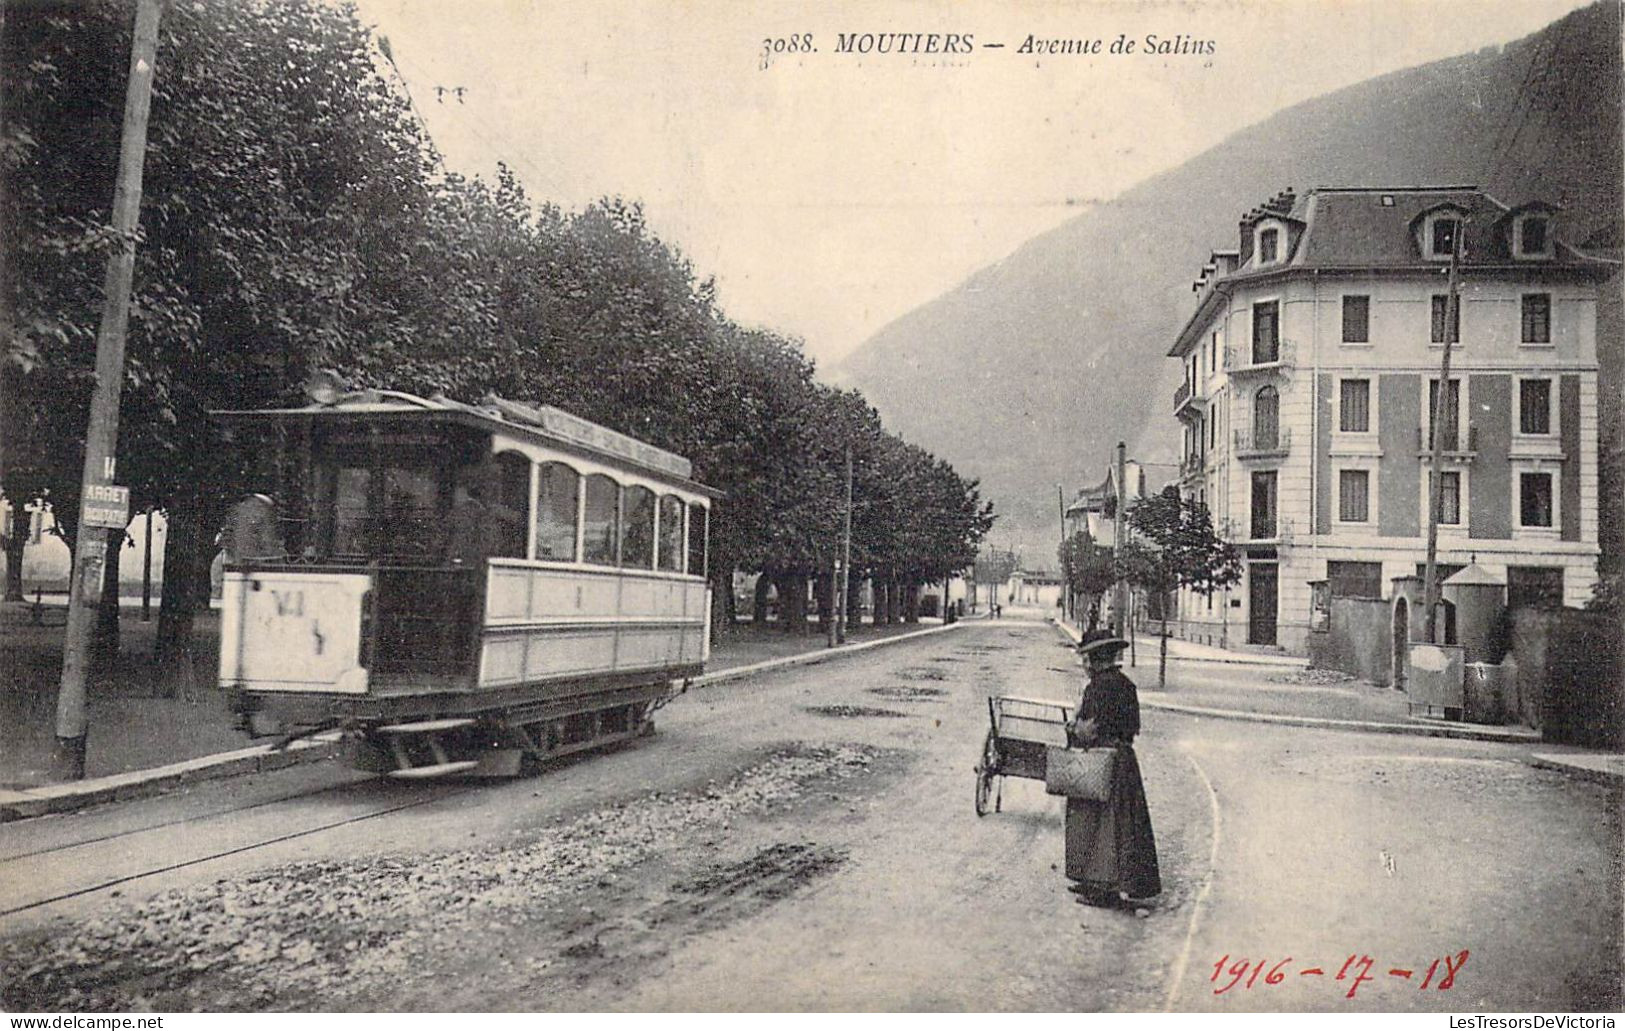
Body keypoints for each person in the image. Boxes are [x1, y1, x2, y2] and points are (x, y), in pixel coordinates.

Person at [1064, 630, 1162, 910]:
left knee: (1097, 821)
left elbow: (1087, 730)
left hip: (1100, 759)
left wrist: (1071, 727)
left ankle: (1101, 887)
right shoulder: (1127, 685)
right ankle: (1109, 881)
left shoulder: (1096, 688)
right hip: (1124, 760)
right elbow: (1133, 728)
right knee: (1124, 823)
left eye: (1087, 659)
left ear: (1096, 659)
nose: (1085, 664)